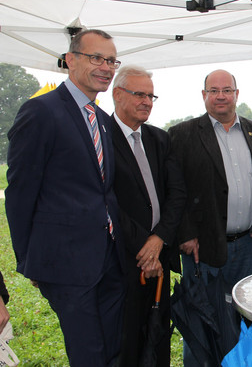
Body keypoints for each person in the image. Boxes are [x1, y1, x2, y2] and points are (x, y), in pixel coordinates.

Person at [5, 29, 125, 366]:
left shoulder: (102, 120)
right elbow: (20, 191)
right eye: (96, 58)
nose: (106, 67)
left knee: (113, 349)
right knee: (89, 354)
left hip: (109, 259)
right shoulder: (40, 112)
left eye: (111, 60)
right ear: (70, 60)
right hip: (66, 263)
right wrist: (27, 257)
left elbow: (104, 188)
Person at [168, 69, 252, 365]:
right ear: (204, 95)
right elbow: (174, 191)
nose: (221, 96)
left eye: (227, 90)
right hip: (202, 248)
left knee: (243, 317)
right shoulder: (183, 135)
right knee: (202, 320)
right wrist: (185, 235)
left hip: (247, 245)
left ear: (236, 94)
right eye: (214, 90)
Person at [111, 66, 186, 366]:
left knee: (157, 339)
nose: (147, 101)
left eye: (150, 95)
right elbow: (106, 202)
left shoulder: (159, 138)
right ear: (117, 95)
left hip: (159, 256)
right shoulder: (100, 137)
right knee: (125, 343)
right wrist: (145, 246)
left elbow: (177, 193)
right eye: (139, 94)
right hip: (120, 260)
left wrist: (159, 240)